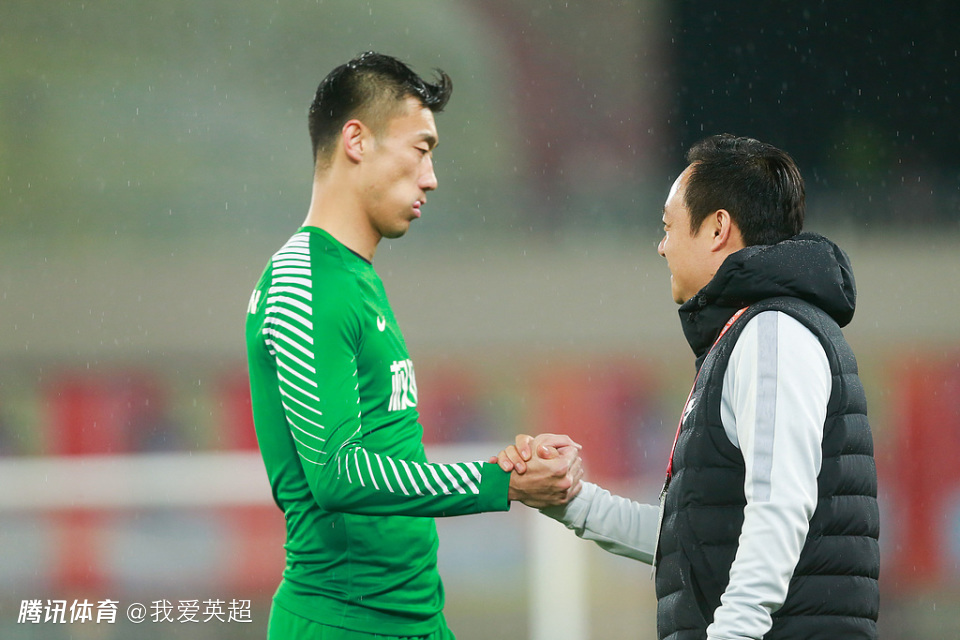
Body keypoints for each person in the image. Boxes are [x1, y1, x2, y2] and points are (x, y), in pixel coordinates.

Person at [245, 52, 583, 640]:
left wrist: (511, 467)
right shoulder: (305, 284)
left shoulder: (353, 276)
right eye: (421, 149)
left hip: (415, 616)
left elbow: (387, 454)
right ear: (356, 140)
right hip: (343, 624)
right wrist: (499, 482)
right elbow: (337, 474)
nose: (431, 177)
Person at [500, 134, 880, 639]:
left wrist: (732, 633)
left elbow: (780, 509)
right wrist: (569, 501)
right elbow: (692, 542)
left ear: (718, 228)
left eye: (668, 227)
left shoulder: (772, 332)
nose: (661, 246)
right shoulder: (749, 333)